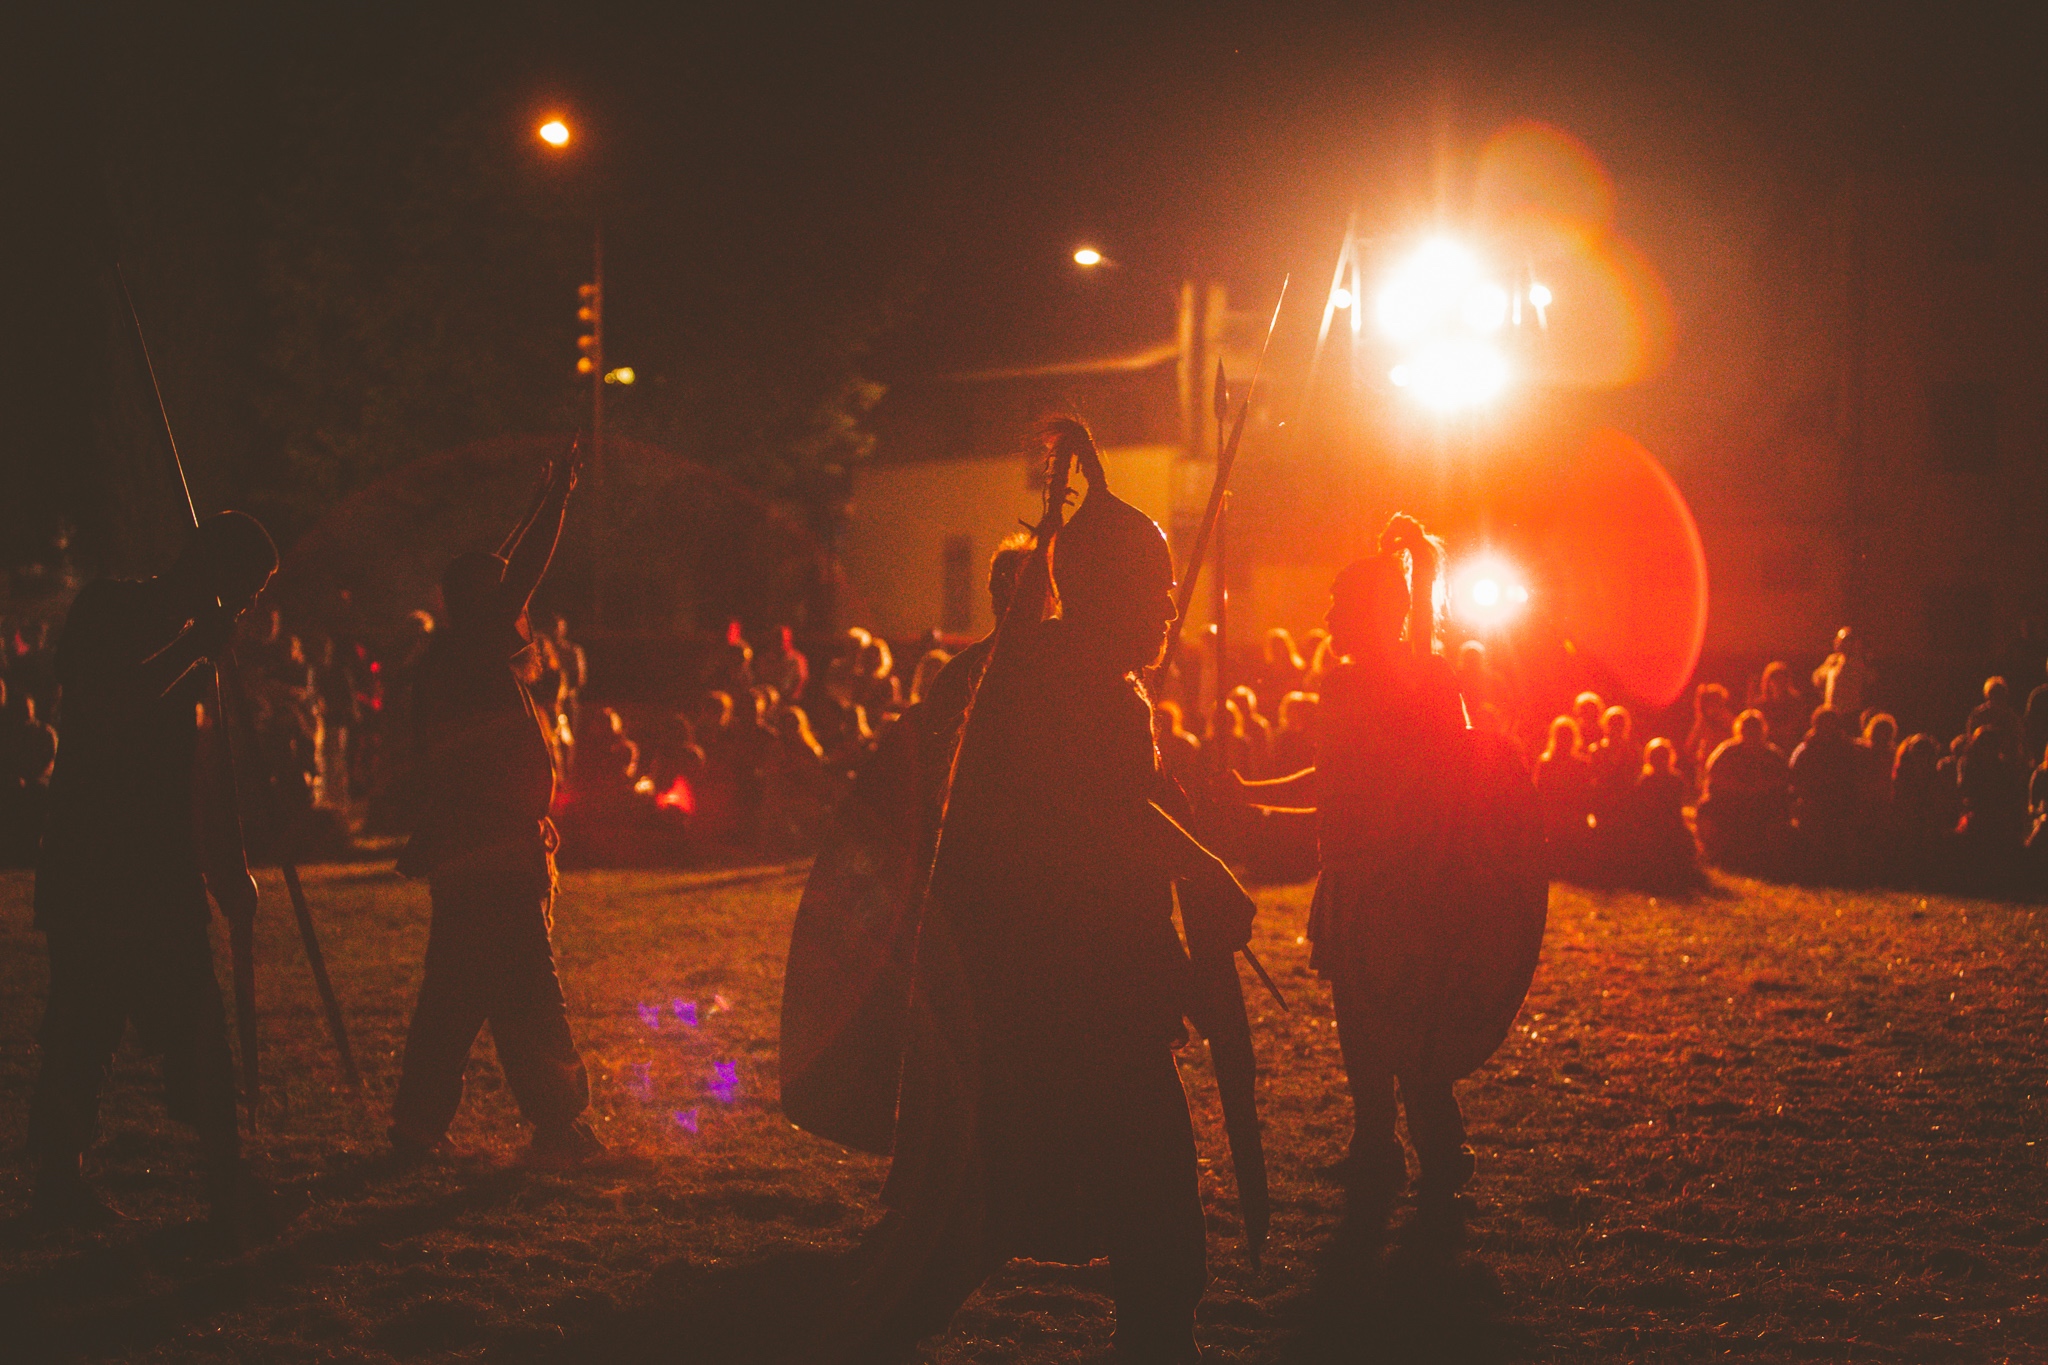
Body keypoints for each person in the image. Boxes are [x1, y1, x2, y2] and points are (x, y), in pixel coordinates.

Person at [850, 420, 1252, 1363]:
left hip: (1063, 995)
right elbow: (1099, 818)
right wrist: (1206, 867)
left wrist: (1193, 822)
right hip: (1062, 996)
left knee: (1100, 1210)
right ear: (1106, 588)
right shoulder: (1072, 686)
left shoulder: (1071, 675)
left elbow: (1123, 806)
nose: (1163, 608)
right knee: (1082, 1205)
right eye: (1148, 591)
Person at [27, 511, 290, 1242]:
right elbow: (98, 704)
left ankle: (226, 1181)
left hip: (164, 872)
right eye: (246, 587)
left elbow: (202, 772)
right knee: (81, 1031)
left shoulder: (210, 650)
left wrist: (228, 867)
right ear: (212, 570)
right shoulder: (109, 607)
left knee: (197, 1032)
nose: (249, 605)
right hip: (95, 862)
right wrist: (189, 649)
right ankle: (57, 1181)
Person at [1240, 514, 1484, 1234]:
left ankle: (1441, 1148)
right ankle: (1376, 1144)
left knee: (1409, 1019)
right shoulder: (1346, 686)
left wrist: (1264, 807)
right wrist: (1253, 795)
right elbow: (1332, 778)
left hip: (1406, 883)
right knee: (1359, 1023)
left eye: (1339, 605)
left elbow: (1452, 779)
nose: (1326, 616)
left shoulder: (1423, 680)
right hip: (1351, 877)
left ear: (1370, 613)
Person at [391, 453, 603, 1168]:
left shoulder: (460, 654)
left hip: (476, 856)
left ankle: (417, 1128)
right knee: (529, 998)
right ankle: (559, 1128)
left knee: (455, 995)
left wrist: (536, 495)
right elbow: (517, 572)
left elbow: (495, 572)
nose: (523, 611)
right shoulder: (474, 655)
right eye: (507, 600)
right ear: (485, 608)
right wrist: (556, 505)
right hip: (492, 859)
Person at [1698, 709, 1789, 869]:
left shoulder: (1772, 755)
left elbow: (1781, 782)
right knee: (1706, 807)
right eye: (1748, 730)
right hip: (1731, 802)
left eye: (1755, 731)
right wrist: (1737, 789)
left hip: (1761, 804)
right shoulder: (1727, 752)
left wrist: (1758, 789)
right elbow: (1713, 776)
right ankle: (1714, 850)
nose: (1751, 735)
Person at [1812, 628, 1868, 719]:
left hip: (1850, 714)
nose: (1839, 643)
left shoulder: (1859, 663)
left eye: (1846, 641)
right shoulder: (1833, 660)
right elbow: (1817, 678)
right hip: (1831, 713)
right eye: (1839, 640)